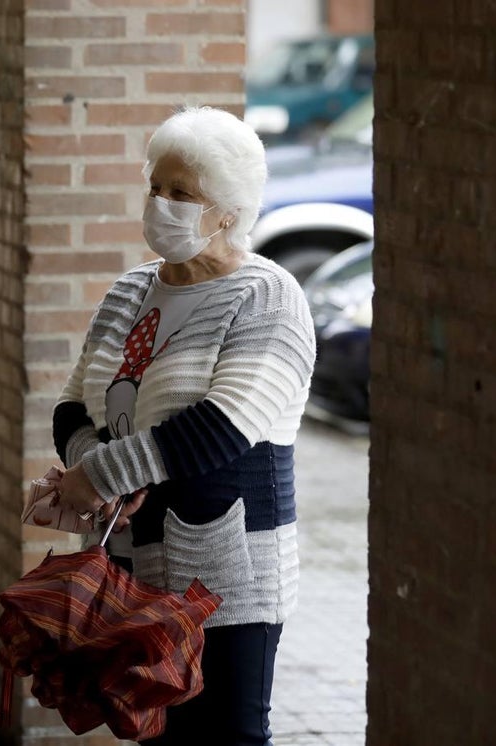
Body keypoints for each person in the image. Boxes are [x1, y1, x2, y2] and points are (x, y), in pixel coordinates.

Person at [51, 106, 316, 745]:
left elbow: (222, 428)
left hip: (227, 578)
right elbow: (71, 407)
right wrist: (94, 471)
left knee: (226, 737)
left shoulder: (268, 297)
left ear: (227, 210)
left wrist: (97, 478)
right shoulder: (129, 292)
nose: (160, 204)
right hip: (132, 564)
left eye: (181, 193)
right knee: (153, 735)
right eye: (155, 187)